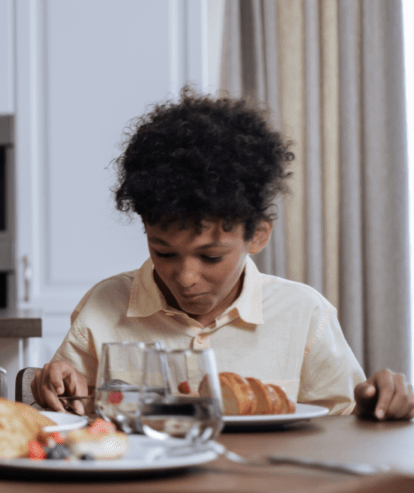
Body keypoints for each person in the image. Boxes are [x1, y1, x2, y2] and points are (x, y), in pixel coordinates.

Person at [31, 90, 414, 421]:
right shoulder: (104, 307)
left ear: (258, 235)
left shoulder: (304, 315)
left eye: (211, 257)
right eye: (163, 251)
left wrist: (375, 404)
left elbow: (342, 425)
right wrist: (53, 385)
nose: (184, 276)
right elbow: (64, 410)